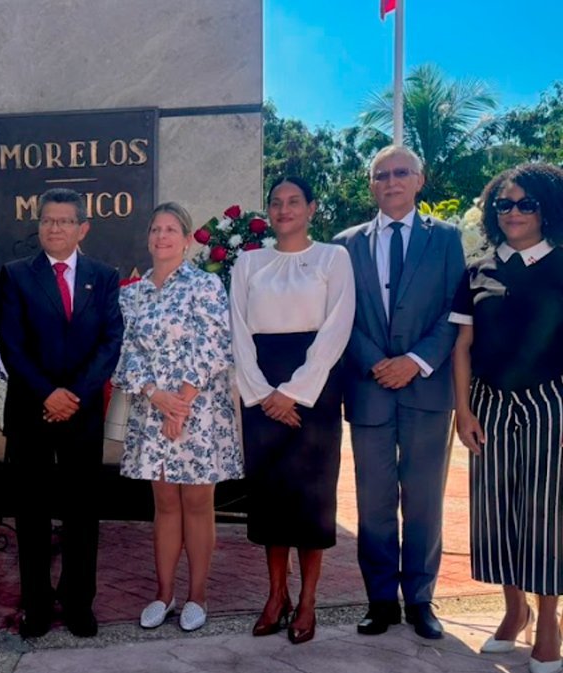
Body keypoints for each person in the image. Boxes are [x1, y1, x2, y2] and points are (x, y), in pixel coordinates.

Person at [333, 145, 465, 640]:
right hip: (369, 389)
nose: (391, 181)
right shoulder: (346, 245)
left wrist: (415, 361)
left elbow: (455, 311)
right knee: (373, 501)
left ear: (419, 180)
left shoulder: (447, 239)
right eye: (381, 174)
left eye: (401, 172)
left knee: (425, 498)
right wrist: (375, 362)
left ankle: (421, 599)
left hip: (427, 388)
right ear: (371, 184)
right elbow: (339, 315)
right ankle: (381, 600)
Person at [230, 177, 354, 644]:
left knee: (311, 498)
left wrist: (295, 392)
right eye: (276, 203)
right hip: (261, 389)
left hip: (314, 390)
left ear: (311, 208)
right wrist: (263, 393)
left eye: (294, 202)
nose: (284, 210)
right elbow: (237, 330)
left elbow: (337, 327)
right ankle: (276, 595)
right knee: (271, 497)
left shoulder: (333, 258)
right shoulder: (249, 262)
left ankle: (308, 601)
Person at [450, 163, 563, 673]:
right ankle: (514, 610)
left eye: (526, 203)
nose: (514, 212)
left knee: (546, 514)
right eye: (504, 204)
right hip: (489, 405)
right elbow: (463, 345)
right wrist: (463, 410)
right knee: (495, 512)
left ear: (546, 209)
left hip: (550, 402)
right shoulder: (478, 270)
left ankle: (548, 622)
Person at [0, 188, 123, 638]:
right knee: (31, 514)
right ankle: (35, 605)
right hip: (31, 412)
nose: (55, 227)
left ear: (82, 228)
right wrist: (48, 394)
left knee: (81, 513)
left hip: (82, 413)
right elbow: (12, 345)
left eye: (65, 221)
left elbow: (111, 341)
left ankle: (78, 604)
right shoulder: (15, 275)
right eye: (48, 220)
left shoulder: (103, 277)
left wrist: (74, 394)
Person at [112, 202, 241, 633]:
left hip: (199, 413)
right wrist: (158, 397)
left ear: (187, 240)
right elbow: (126, 354)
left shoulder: (205, 285)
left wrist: (181, 403)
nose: (161, 236)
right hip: (154, 411)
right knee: (165, 505)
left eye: (171, 230)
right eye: (155, 229)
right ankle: (164, 593)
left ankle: (197, 595)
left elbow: (214, 344)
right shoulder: (132, 294)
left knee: (198, 504)